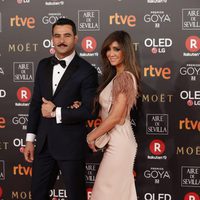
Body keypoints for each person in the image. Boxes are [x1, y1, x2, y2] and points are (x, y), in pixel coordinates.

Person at [23, 18, 98, 200]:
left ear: (76, 38)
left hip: (71, 145)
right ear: (52, 38)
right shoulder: (42, 65)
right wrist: (30, 139)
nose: (61, 40)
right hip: (44, 144)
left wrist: (56, 111)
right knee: (37, 194)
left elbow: (89, 110)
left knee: (76, 196)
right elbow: (35, 105)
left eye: (66, 35)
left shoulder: (87, 71)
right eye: (57, 36)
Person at [86, 30, 140, 200]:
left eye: (117, 49)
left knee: (105, 193)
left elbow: (117, 116)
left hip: (120, 143)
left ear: (126, 51)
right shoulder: (116, 77)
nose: (111, 53)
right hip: (115, 141)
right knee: (115, 193)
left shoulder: (124, 77)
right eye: (108, 49)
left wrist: (91, 135)